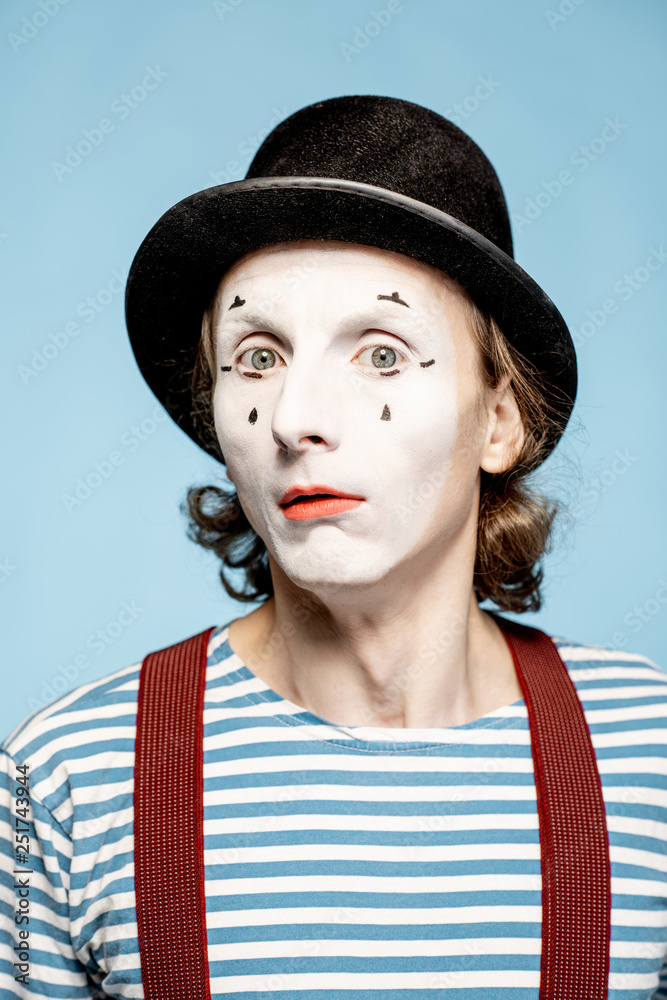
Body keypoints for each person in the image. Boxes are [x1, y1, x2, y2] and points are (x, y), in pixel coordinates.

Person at [2, 95, 666, 998]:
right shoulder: (63, 781)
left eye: (382, 354)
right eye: (259, 358)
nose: (295, 418)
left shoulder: (652, 756)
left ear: (499, 421)